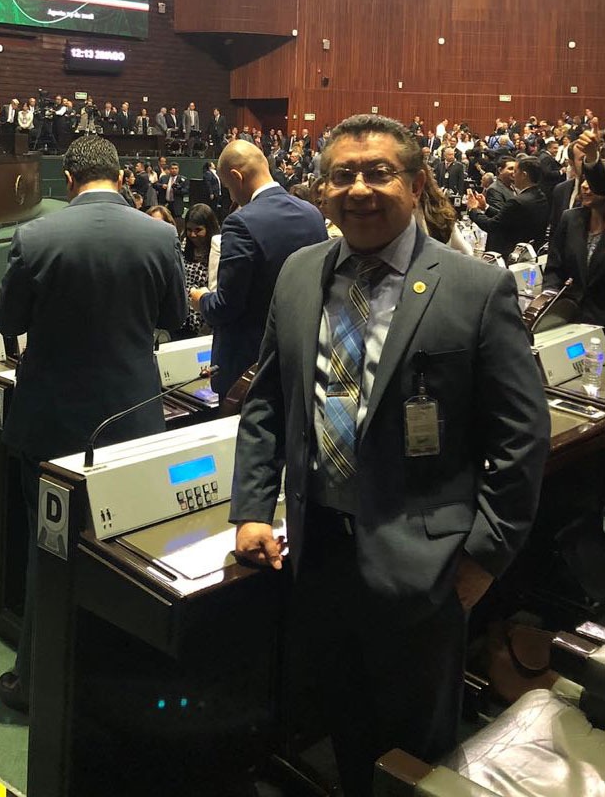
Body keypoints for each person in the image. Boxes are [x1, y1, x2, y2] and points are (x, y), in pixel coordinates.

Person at [229, 114, 549, 795]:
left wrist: (481, 560)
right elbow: (266, 404)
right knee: (342, 724)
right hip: (318, 554)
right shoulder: (296, 275)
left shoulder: (471, 287)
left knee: (415, 750)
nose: (359, 189)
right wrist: (252, 508)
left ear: (416, 183)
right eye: (341, 175)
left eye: (378, 172)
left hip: (425, 567)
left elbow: (520, 438)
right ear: (322, 190)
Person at [0, 136, 186, 710]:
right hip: (133, 417)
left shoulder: (36, 235)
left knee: (46, 550)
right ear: (121, 176)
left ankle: (35, 680)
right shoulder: (160, 235)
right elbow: (175, 318)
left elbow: (7, 318)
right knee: (125, 556)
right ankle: (112, 683)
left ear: (70, 179)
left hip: (50, 423)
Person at [189, 140, 327, 399]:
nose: (231, 196)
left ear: (236, 177)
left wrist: (201, 300)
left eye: (229, 187)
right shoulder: (312, 214)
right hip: (299, 355)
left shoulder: (241, 223)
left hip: (250, 367)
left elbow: (227, 306)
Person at [545, 179, 605, 326]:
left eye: (592, 180)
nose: (584, 185)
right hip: (567, 318)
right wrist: (550, 301)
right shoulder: (570, 219)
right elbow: (554, 268)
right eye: (584, 178)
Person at [466, 155, 549, 257]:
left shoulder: (517, 201)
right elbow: (509, 218)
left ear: (524, 175)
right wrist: (486, 207)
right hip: (531, 252)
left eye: (516, 171)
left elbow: (492, 226)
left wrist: (473, 209)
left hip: (510, 254)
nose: (513, 175)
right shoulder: (540, 195)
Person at [179, 204, 220, 337]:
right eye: (189, 229)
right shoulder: (184, 245)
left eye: (198, 230)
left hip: (207, 319)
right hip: (185, 317)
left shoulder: (218, 250)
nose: (193, 234)